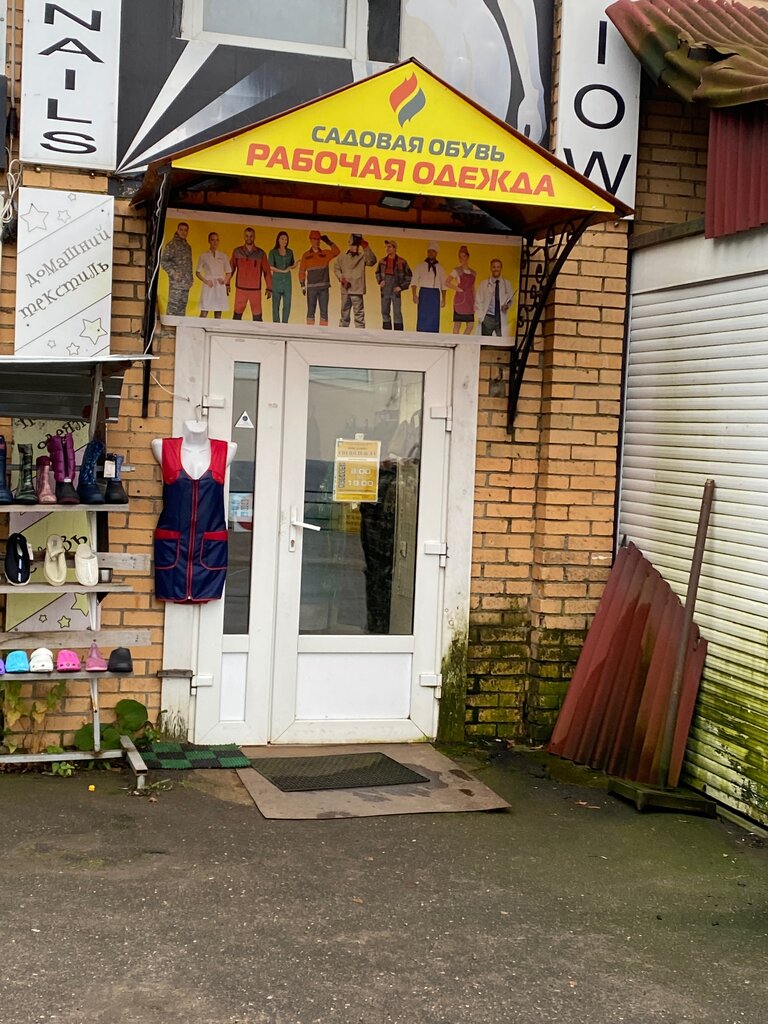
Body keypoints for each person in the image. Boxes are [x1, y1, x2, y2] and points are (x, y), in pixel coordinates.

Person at [334, 234, 377, 328]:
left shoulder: (363, 256)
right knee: (344, 315)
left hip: (357, 290)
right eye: (354, 245)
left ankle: (360, 333)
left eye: (357, 245)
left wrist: (366, 247)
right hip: (345, 289)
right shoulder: (342, 257)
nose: (356, 247)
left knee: (359, 316)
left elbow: (372, 261)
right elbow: (336, 268)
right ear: (349, 244)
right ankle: (342, 333)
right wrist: (341, 278)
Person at [299, 230, 340, 327]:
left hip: (323, 289)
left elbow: (336, 251)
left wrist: (329, 242)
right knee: (310, 312)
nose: (316, 241)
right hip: (311, 289)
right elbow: (301, 270)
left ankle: (323, 332)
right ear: (310, 239)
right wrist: (302, 284)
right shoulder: (306, 255)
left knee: (324, 313)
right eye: (314, 239)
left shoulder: (325, 253)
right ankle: (310, 332)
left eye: (318, 239)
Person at [229, 227, 272, 321]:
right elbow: (231, 268)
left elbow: (267, 271)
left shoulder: (261, 253)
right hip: (241, 290)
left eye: (251, 236)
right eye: (247, 236)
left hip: (255, 291)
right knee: (236, 317)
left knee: (257, 318)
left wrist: (269, 287)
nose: (249, 238)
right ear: (244, 237)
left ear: (254, 237)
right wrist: (227, 283)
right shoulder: (237, 251)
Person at [411, 242, 448, 333]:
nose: (431, 253)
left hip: (435, 294)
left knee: (434, 317)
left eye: (433, 251)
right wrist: (414, 295)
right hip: (424, 293)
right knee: (422, 316)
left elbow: (444, 285)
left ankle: (433, 335)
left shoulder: (440, 268)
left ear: (436, 253)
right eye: (429, 251)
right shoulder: (420, 266)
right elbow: (414, 281)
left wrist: (443, 298)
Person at [376, 240, 412, 330]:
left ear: (395, 248)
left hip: (395, 289)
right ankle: (386, 332)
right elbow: (377, 272)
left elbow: (409, 275)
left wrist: (401, 287)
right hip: (385, 289)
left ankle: (398, 333)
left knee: (397, 312)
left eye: (389, 247)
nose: (387, 249)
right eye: (386, 247)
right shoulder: (382, 261)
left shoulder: (402, 261)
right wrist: (380, 281)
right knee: (384, 311)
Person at [475, 258, 515, 337]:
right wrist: (481, 317)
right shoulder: (484, 284)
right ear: (490, 268)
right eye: (494, 267)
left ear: (501, 268)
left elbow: (510, 299)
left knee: (501, 340)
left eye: (498, 267)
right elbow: (478, 301)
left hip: (500, 317)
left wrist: (507, 306)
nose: (496, 269)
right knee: (485, 340)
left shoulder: (507, 283)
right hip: (488, 318)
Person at [160, 222, 193, 316]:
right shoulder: (172, 245)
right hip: (176, 284)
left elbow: (189, 264)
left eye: (185, 230)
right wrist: (173, 273)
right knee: (173, 309)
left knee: (182, 310)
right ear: (177, 230)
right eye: (181, 229)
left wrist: (191, 279)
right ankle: (169, 326)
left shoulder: (187, 246)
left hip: (186, 283)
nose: (183, 232)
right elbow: (163, 261)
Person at [195, 232, 231, 319]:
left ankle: (217, 328)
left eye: (217, 240)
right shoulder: (203, 256)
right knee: (204, 312)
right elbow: (197, 272)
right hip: (209, 285)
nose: (215, 242)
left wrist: (224, 281)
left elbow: (229, 271)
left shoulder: (223, 256)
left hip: (219, 285)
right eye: (212, 240)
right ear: (209, 241)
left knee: (218, 314)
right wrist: (206, 281)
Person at [268, 230, 296, 323]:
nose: (284, 241)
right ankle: (276, 324)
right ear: (278, 240)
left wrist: (293, 266)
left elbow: (292, 265)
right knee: (275, 305)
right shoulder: (273, 252)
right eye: (282, 238)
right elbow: (270, 267)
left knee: (287, 304)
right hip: (276, 280)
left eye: (286, 239)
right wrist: (282, 271)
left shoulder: (290, 252)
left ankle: (285, 323)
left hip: (287, 281)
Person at [448, 245, 477, 335]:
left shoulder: (473, 272)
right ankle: (455, 341)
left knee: (470, 325)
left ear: (467, 257)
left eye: (464, 256)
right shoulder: (457, 270)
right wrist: (458, 289)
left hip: (469, 301)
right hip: (460, 300)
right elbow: (447, 282)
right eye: (460, 257)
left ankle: (463, 341)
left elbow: (473, 288)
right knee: (457, 324)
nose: (462, 259)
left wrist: (475, 302)